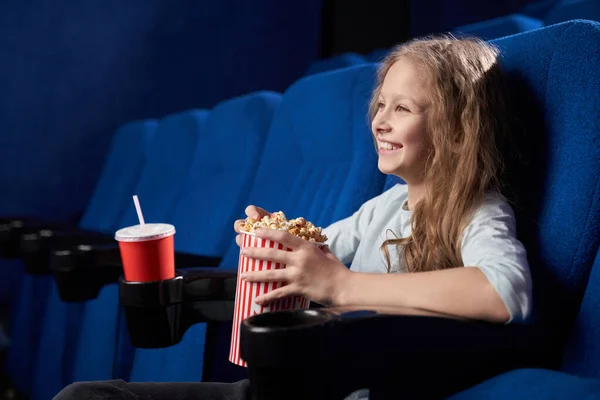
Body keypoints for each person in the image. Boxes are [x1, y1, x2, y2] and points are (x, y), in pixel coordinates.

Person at [54, 35, 532, 400]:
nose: (379, 120)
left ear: (454, 131)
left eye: (402, 108)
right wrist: (277, 241)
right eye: (380, 104)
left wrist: (343, 287)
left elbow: (505, 292)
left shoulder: (478, 209)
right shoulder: (384, 208)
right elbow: (317, 253)